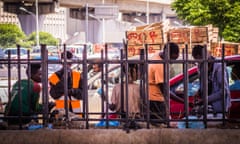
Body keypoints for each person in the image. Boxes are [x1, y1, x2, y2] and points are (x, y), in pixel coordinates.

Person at [192, 45, 231, 114]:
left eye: (197, 59)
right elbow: (205, 84)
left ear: (200, 56)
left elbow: (224, 91)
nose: (197, 62)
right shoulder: (201, 67)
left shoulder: (219, 68)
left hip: (219, 108)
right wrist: (199, 91)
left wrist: (206, 99)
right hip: (208, 107)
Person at [148, 42, 179, 125]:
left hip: (152, 97)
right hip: (156, 100)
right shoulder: (159, 66)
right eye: (172, 59)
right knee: (161, 125)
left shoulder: (158, 54)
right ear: (168, 54)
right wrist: (182, 101)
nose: (173, 62)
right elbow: (164, 90)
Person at [49, 51, 83, 118]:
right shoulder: (54, 76)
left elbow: (82, 94)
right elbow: (53, 94)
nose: (67, 65)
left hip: (75, 112)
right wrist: (64, 77)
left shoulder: (77, 75)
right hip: (61, 113)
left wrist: (72, 91)